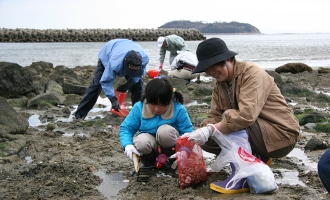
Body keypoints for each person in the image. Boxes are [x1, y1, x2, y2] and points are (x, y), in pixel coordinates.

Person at [186, 38, 301, 194]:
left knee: (230, 120)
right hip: (259, 134)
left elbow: (245, 115)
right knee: (207, 140)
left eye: (212, 67)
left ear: (226, 59)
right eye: (207, 68)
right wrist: (199, 133)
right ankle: (256, 158)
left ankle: (241, 178)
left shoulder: (252, 73)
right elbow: (215, 116)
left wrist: (212, 128)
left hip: (281, 135)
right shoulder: (219, 85)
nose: (210, 73)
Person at [119, 78, 193, 167]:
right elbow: (127, 128)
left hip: (171, 144)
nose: (157, 109)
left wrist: (184, 150)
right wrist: (127, 145)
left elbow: (187, 133)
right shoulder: (139, 107)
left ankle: (171, 159)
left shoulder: (179, 109)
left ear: (169, 100)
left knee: (164, 131)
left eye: (162, 105)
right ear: (147, 98)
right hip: (149, 144)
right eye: (153, 104)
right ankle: (149, 161)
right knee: (141, 141)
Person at [75, 39, 149, 120]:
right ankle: (79, 116)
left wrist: (128, 85)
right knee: (96, 86)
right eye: (129, 71)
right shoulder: (114, 63)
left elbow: (138, 75)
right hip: (108, 52)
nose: (130, 74)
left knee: (138, 86)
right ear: (125, 62)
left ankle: (138, 115)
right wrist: (113, 99)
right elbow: (105, 81)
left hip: (126, 47)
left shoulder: (144, 59)